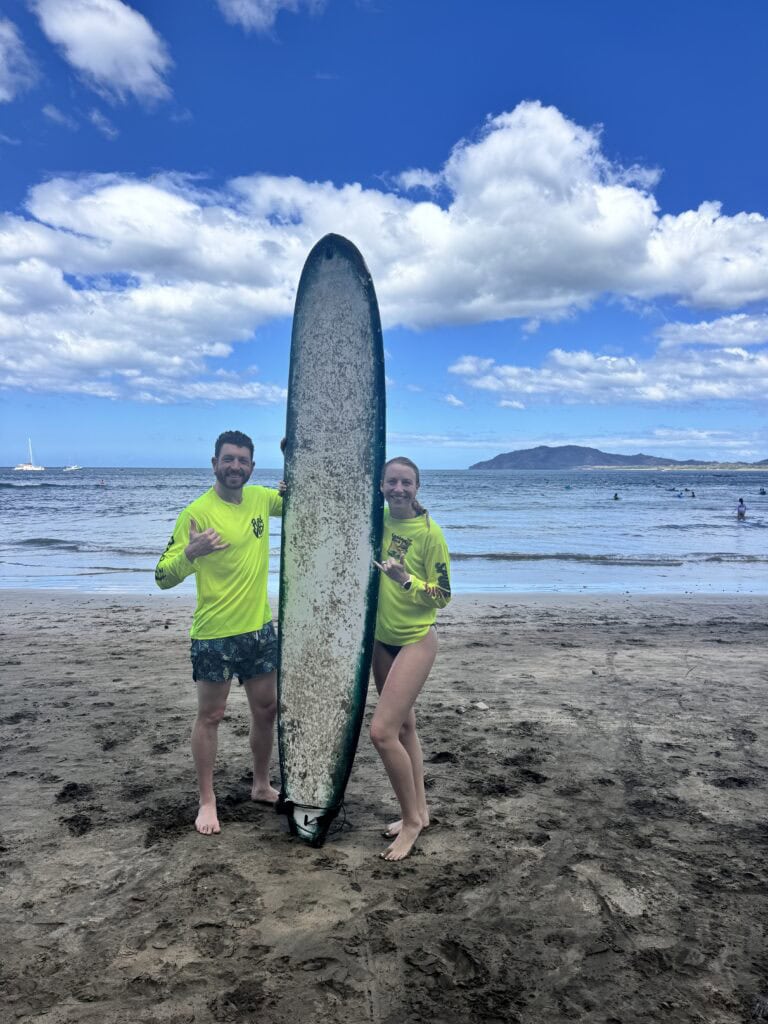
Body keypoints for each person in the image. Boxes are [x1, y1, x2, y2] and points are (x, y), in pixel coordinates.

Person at [155, 430, 283, 836]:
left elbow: (302, 496)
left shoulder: (262, 500)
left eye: (243, 461)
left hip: (259, 629)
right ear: (214, 463)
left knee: (267, 710)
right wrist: (191, 553)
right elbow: (162, 576)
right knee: (211, 716)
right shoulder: (196, 513)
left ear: (251, 466)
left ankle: (261, 785)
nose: (235, 467)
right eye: (228, 459)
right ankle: (207, 801)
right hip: (214, 635)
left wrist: (294, 454)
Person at [371, 457, 451, 861]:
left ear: (417, 487)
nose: (398, 489)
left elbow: (444, 594)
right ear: (381, 485)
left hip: (417, 639)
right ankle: (420, 811)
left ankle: (411, 821)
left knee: (381, 733)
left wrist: (407, 580)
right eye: (391, 482)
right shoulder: (376, 519)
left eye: (406, 483)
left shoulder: (429, 532)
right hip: (381, 641)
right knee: (404, 728)